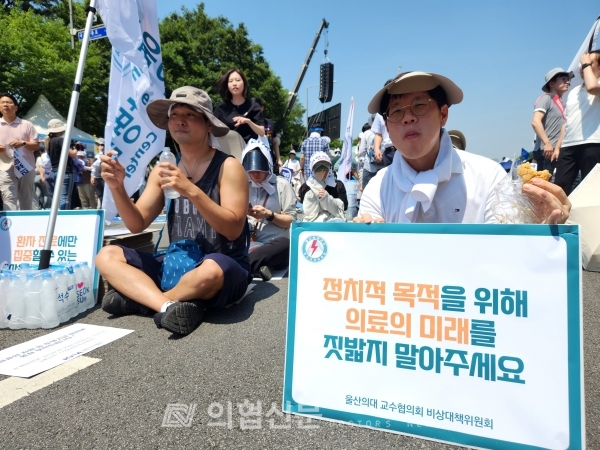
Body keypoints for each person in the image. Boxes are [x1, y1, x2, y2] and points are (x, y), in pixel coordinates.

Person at [95, 86, 252, 336]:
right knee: (107, 256)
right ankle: (167, 306)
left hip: (223, 265)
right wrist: (117, 188)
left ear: (208, 124)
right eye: (174, 114)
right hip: (176, 264)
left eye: (190, 115)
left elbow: (233, 230)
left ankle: (143, 300)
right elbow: (137, 223)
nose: (180, 120)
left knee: (211, 270)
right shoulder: (163, 169)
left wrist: (191, 190)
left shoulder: (228, 166)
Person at [356, 71, 571, 225]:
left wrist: (538, 230)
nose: (408, 118)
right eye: (396, 112)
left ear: (443, 114)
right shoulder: (378, 187)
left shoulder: (489, 178)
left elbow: (508, 252)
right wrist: (361, 239)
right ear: (387, 127)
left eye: (419, 106)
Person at [243, 139, 296, 281]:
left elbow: (291, 221)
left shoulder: (282, 185)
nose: (255, 174)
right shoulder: (243, 185)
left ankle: (240, 266)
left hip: (273, 245)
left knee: (285, 245)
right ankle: (256, 268)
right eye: (251, 170)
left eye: (259, 170)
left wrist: (269, 215)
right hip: (248, 242)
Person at [554, 52, 600, 195]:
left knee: (591, 191)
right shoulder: (574, 92)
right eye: (581, 64)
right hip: (569, 145)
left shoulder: (597, 85)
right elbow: (566, 122)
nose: (582, 67)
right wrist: (558, 147)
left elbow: (592, 87)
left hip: (592, 143)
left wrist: (586, 63)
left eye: (588, 63)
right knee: (559, 189)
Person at [0, 92, 40, 210]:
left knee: (26, 199)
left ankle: (26, 225)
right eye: (2, 103)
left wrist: (23, 143)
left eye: (9, 102)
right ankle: (11, 227)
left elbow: (37, 146)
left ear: (16, 107)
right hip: (4, 169)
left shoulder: (27, 124)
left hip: (25, 168)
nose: (6, 105)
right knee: (8, 198)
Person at [531, 68, 572, 173]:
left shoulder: (560, 103)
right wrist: (547, 143)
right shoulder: (546, 99)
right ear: (552, 83)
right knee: (546, 185)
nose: (567, 82)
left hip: (556, 151)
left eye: (568, 79)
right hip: (547, 152)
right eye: (563, 79)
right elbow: (535, 122)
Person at [213, 68, 265, 143]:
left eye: (237, 80)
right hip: (227, 148)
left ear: (244, 83)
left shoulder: (254, 106)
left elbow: (261, 132)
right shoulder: (221, 108)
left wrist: (248, 121)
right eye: (230, 81)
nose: (234, 83)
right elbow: (211, 130)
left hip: (250, 148)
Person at [298, 151, 346, 222]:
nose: (323, 171)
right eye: (318, 167)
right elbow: (307, 212)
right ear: (312, 169)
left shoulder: (338, 185)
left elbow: (344, 207)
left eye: (326, 165)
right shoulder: (306, 187)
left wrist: (327, 199)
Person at [45, 119, 76, 210]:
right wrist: (75, 148)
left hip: (54, 171)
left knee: (58, 197)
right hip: (65, 171)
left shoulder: (49, 141)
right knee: (65, 197)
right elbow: (72, 154)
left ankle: (58, 216)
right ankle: (64, 218)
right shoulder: (60, 140)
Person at [252, 97, 281, 174]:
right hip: (253, 162)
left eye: (257, 107)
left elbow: (275, 142)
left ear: (262, 108)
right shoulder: (247, 124)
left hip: (269, 162)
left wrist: (279, 159)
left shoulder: (270, 123)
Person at [34, 145, 52, 209]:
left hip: (36, 177)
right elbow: (43, 168)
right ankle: (46, 207)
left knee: (38, 194)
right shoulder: (45, 156)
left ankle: (39, 206)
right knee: (46, 194)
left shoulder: (38, 158)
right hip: (43, 176)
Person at [91, 138, 105, 208]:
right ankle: (102, 209)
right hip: (97, 178)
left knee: (104, 196)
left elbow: (96, 164)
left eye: (100, 145)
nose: (98, 146)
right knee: (100, 195)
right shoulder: (96, 155)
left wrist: (101, 152)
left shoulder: (105, 155)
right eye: (98, 145)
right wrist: (92, 176)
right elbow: (94, 166)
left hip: (104, 178)